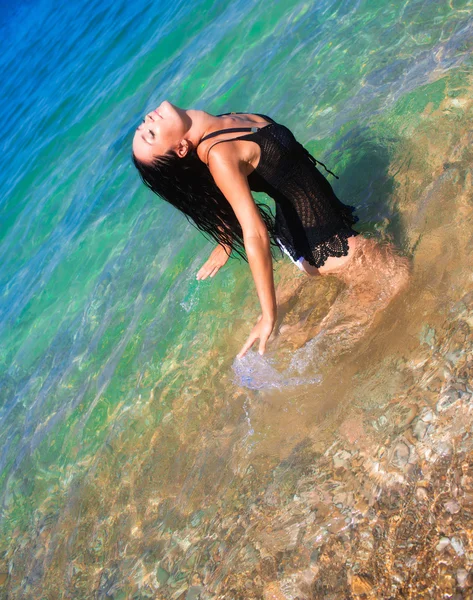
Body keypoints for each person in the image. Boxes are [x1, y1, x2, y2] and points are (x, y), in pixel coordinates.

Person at [132, 101, 409, 360]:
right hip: (319, 240)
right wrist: (268, 314)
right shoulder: (218, 154)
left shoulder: (219, 122)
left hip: (319, 219)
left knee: (382, 281)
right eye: (151, 134)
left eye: (142, 127)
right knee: (400, 279)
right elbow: (254, 233)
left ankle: (300, 329)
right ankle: (299, 341)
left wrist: (226, 239)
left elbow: (216, 189)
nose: (147, 121)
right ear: (181, 149)